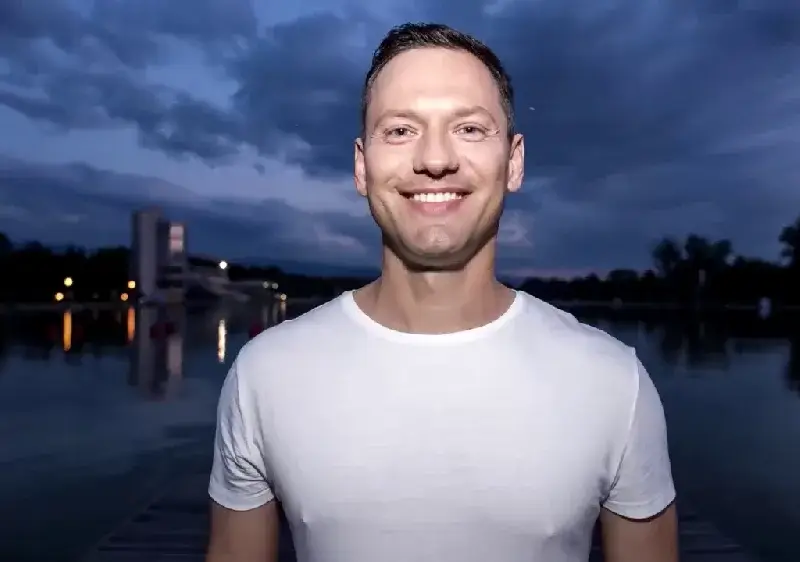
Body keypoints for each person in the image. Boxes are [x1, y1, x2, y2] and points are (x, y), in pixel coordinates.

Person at [206, 22, 678, 562]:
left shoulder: (614, 383)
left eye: (469, 129)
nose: (434, 159)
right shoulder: (266, 374)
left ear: (514, 162)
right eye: (400, 130)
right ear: (361, 166)